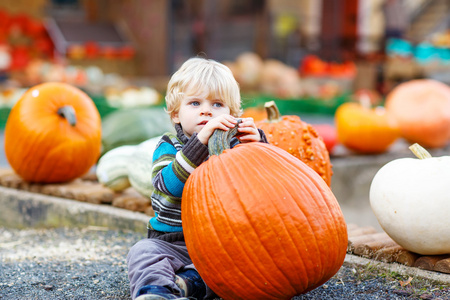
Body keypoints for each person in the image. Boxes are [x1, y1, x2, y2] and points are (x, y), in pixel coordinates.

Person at [126, 57, 268, 300]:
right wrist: (200, 142)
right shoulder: (169, 146)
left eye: (217, 104)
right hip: (171, 242)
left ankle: (185, 285)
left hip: (221, 245)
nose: (206, 110)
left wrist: (260, 145)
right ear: (176, 115)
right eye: (194, 103)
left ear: (232, 114)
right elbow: (167, 185)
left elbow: (268, 187)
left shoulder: (235, 147)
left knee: (241, 269)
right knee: (142, 252)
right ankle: (155, 292)